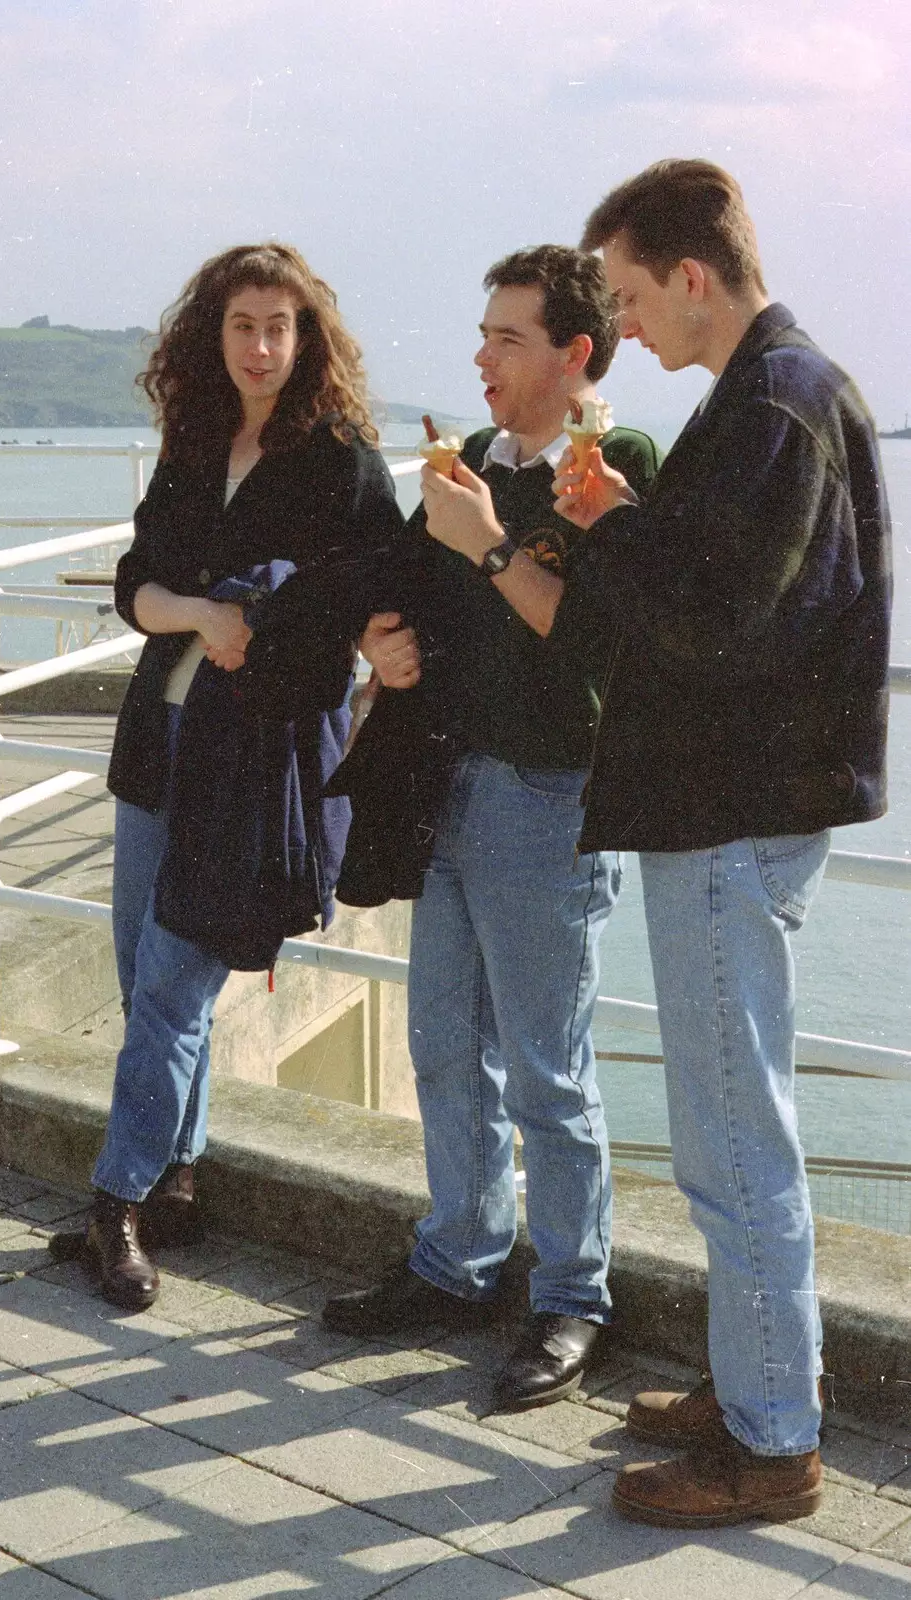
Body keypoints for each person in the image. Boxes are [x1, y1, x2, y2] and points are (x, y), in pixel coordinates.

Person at [544, 161, 891, 1526]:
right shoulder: (784, 395)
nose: (622, 326)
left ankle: (767, 1441)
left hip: (725, 815)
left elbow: (709, 625)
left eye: (628, 297)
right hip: (743, 811)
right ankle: (756, 1381)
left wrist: (604, 524)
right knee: (732, 1130)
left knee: (731, 1138)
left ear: (691, 277)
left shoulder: (771, 404)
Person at [321, 247, 659, 1412]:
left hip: (549, 799)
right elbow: (411, 600)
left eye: (507, 339)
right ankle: (458, 1260)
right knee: (443, 1042)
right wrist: (380, 639)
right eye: (484, 335)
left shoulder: (614, 466)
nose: (482, 356)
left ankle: (573, 1297)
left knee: (550, 1072)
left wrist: (486, 543)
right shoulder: (464, 466)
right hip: (449, 784)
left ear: (575, 356)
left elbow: (597, 645)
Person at [59, 243, 402, 1309]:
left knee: (174, 982)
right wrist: (201, 611)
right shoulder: (196, 440)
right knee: (142, 976)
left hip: (249, 757)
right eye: (243, 324)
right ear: (215, 333)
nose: (261, 346)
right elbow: (135, 584)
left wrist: (361, 653)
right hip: (156, 743)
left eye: (279, 327)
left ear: (307, 340)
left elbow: (385, 580)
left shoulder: (338, 457)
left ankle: (113, 1203)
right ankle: (179, 1177)